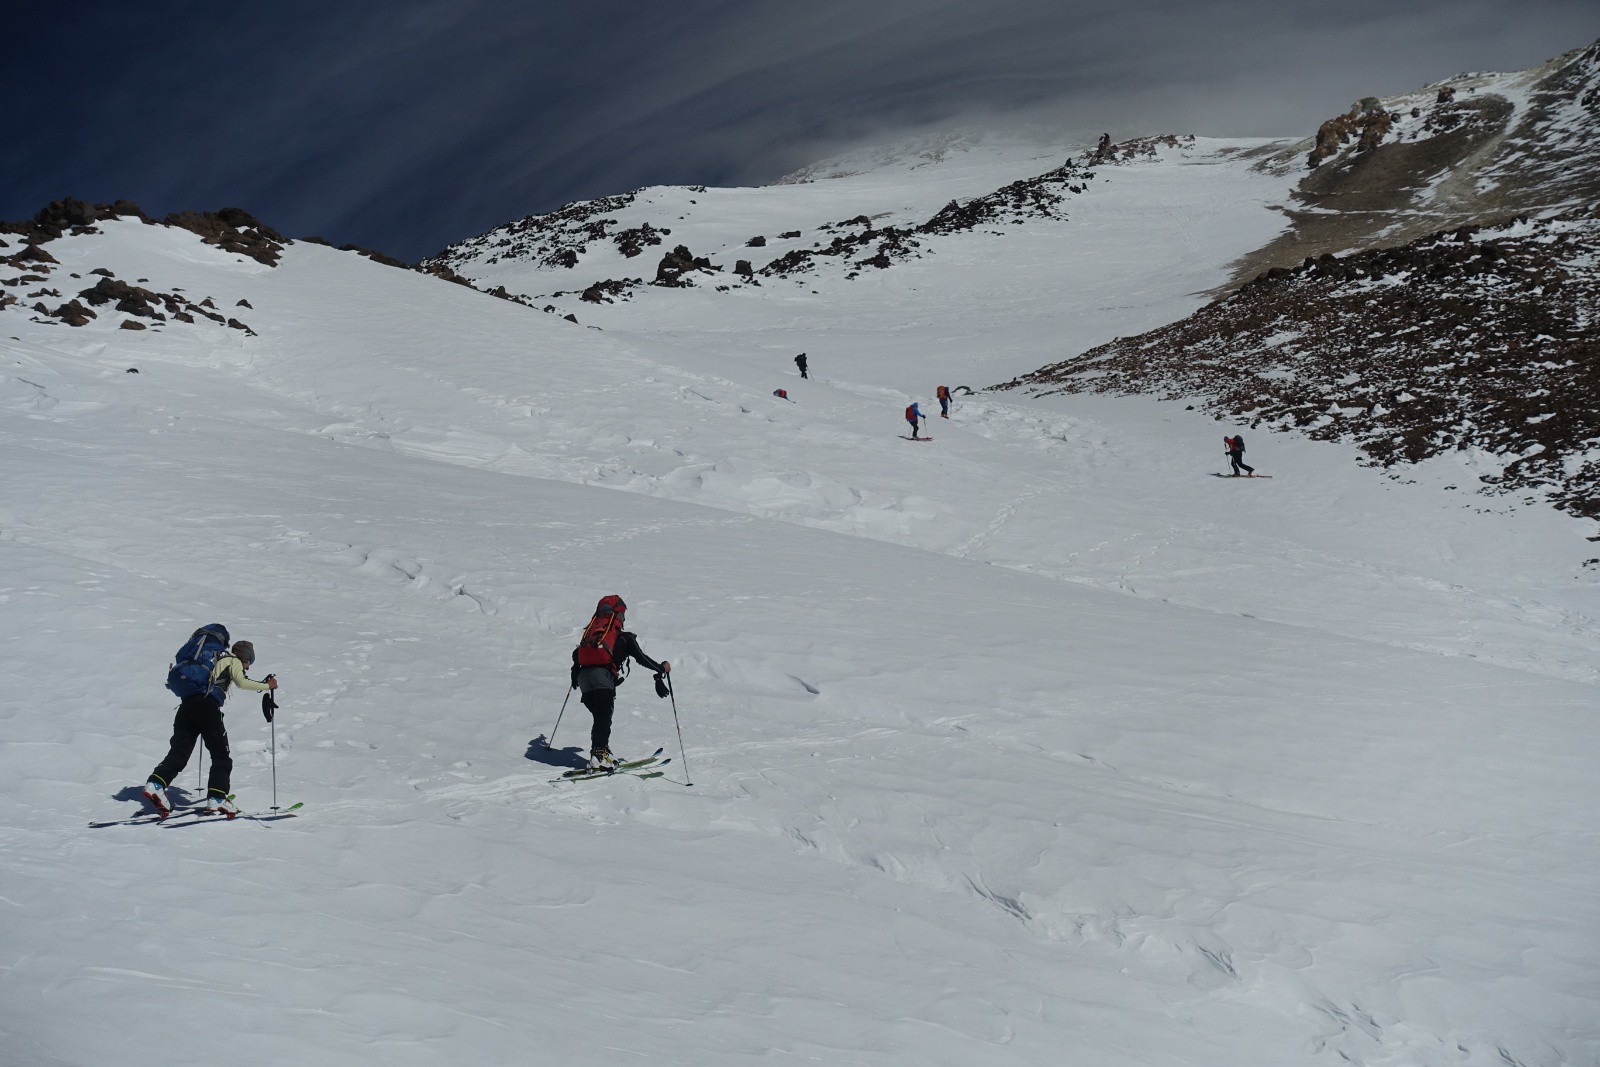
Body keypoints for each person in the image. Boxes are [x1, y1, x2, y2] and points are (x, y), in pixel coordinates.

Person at [142, 639, 278, 817]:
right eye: (248, 662)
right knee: (221, 755)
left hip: (185, 709)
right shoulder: (232, 660)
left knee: (179, 753)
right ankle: (217, 798)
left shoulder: (213, 662)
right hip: (207, 709)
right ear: (243, 656)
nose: (248, 666)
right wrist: (267, 686)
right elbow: (242, 682)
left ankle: (156, 784)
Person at [570, 600, 670, 770]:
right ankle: (599, 754)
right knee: (603, 717)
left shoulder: (591, 637)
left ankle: (602, 751)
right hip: (602, 678)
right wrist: (661, 668)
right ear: (620, 618)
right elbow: (641, 658)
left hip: (584, 679)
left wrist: (575, 675)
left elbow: (576, 655)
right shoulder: (625, 638)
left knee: (600, 717)